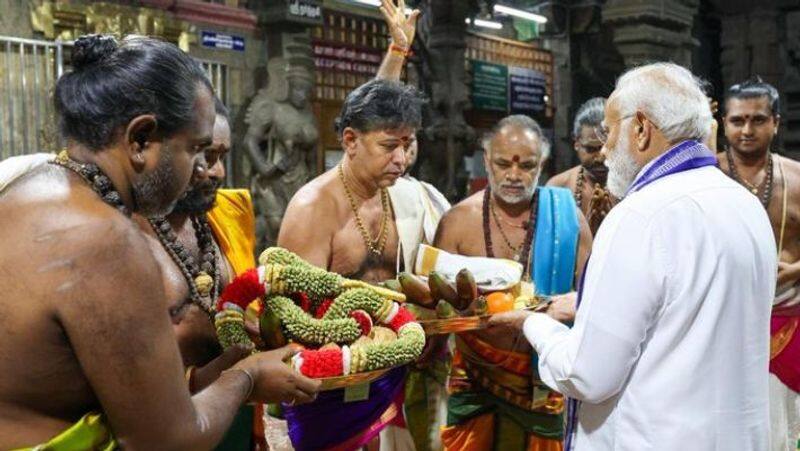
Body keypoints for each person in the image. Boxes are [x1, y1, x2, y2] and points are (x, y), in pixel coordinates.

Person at [0, 34, 319, 449]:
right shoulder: (104, 238)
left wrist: (225, 371)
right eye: (196, 150)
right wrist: (248, 378)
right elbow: (167, 441)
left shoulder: (27, 189)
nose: (205, 171)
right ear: (141, 139)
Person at [489, 62, 776, 450]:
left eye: (609, 133)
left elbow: (587, 374)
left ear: (640, 129)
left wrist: (532, 325)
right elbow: (691, 307)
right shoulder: (744, 204)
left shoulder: (640, 216)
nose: (605, 150)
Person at [433, 114, 592, 451]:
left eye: (527, 166)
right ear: (486, 159)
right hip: (475, 379)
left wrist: (562, 308)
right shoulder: (458, 222)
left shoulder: (567, 219)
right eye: (503, 163)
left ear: (543, 163)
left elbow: (592, 300)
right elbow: (437, 306)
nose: (514, 175)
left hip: (543, 381)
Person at [134, 98, 267, 450]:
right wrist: (234, 376)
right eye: (205, 155)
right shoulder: (123, 233)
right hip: (160, 425)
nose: (218, 172)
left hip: (237, 411)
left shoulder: (229, 212)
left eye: (223, 156)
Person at [717, 77, 800, 451]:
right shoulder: (705, 175)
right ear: (723, 123)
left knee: (781, 432)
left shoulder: (798, 177)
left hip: (785, 319)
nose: (747, 130)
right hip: (719, 321)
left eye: (758, 119)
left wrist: (796, 270)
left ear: (776, 123)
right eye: (737, 120)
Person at [547, 97, 615, 235]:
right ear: (576, 143)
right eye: (591, 149)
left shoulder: (632, 187)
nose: (600, 156)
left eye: (607, 147)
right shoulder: (557, 188)